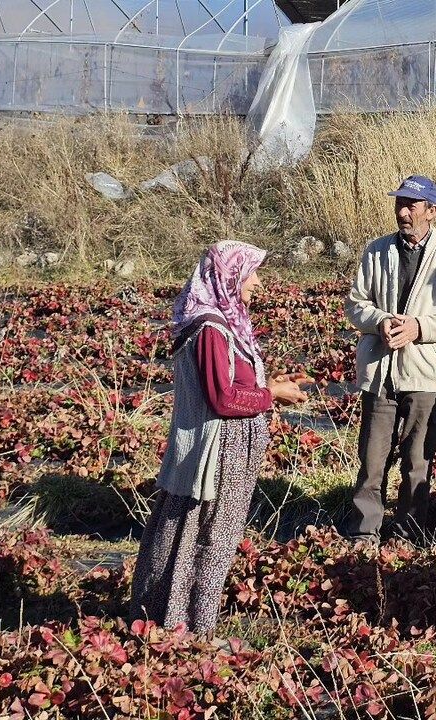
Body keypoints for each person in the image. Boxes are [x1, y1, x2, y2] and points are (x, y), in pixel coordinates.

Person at [131, 240, 312, 635]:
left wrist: (271, 382)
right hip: (221, 449)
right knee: (209, 536)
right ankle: (189, 627)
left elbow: (232, 381)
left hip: (228, 446)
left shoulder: (224, 323)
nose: (257, 284)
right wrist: (271, 396)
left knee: (197, 530)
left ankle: (172, 619)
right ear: (229, 276)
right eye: (251, 274)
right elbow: (223, 398)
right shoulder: (212, 328)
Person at [340, 175, 436, 544]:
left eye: (411, 205)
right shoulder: (376, 250)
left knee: (417, 459)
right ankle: (364, 531)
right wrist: (380, 321)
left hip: (426, 373)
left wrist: (418, 328)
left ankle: (407, 533)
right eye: (399, 203)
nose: (403, 212)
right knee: (372, 459)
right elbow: (356, 305)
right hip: (379, 370)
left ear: (432, 211)